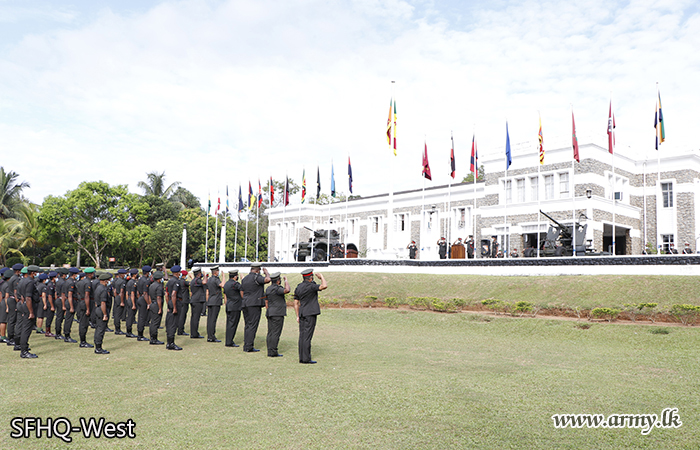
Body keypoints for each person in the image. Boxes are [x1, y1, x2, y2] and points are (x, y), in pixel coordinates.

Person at [294, 269, 327, 364]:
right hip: (310, 313)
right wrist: (321, 277)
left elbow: (296, 303)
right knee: (307, 336)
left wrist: (297, 315)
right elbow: (324, 286)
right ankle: (306, 359)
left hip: (302, 313)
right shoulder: (311, 286)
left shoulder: (299, 287)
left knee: (302, 336)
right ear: (310, 277)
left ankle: (302, 357)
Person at [240, 262, 271, 352]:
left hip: (245, 303)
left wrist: (246, 299)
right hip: (254, 304)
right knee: (253, 325)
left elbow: (241, 291)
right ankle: (249, 346)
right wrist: (267, 273)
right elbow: (268, 280)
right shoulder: (256, 277)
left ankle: (246, 345)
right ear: (258, 270)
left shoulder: (245, 278)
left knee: (248, 325)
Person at [18, 265, 41, 358]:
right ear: (33, 273)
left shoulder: (23, 280)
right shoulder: (30, 282)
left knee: (25, 327)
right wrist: (31, 312)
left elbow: (21, 295)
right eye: (36, 272)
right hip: (29, 307)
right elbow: (28, 298)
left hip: (25, 305)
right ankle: (24, 351)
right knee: (26, 329)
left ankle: (24, 348)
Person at [265, 272, 290, 357]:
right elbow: (287, 290)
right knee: (276, 333)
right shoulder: (277, 288)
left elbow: (266, 301)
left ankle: (269, 350)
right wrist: (286, 281)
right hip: (277, 313)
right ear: (278, 281)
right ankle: (273, 351)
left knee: (270, 332)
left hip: (270, 312)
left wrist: (268, 309)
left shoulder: (268, 289)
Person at [76, 267, 96, 349]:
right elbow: (87, 296)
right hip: (86, 303)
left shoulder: (81, 282)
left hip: (81, 302)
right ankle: (83, 341)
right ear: (91, 274)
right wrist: (88, 309)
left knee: (82, 322)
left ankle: (83, 340)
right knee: (84, 323)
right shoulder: (88, 283)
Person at [164, 266, 183, 351]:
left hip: (171, 302)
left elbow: (166, 294)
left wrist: (169, 305)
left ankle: (169, 343)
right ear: (177, 273)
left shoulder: (169, 281)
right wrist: (174, 307)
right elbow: (173, 294)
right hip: (175, 302)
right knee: (173, 323)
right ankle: (171, 343)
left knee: (170, 322)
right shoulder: (176, 282)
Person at [93, 273, 112, 354]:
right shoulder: (103, 289)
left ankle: (97, 345)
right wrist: (105, 314)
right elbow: (103, 303)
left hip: (97, 308)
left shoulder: (98, 288)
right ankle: (98, 348)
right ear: (105, 281)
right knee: (101, 329)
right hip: (102, 309)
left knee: (98, 328)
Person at [223, 269, 242, 347]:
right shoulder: (235, 284)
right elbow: (243, 288)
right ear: (235, 276)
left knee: (229, 324)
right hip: (235, 306)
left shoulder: (227, 284)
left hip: (229, 305)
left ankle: (228, 340)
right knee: (233, 324)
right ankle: (229, 341)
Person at [205, 266, 223, 343]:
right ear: (216, 272)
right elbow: (222, 285)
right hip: (216, 301)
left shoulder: (209, 280)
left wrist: (207, 301)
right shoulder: (216, 279)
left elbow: (207, 292)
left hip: (210, 300)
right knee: (213, 320)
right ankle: (212, 336)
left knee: (210, 319)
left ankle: (210, 336)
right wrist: (224, 277)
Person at [63, 267, 79, 343]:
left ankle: (66, 334)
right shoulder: (71, 282)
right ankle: (67, 335)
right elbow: (70, 295)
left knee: (68, 319)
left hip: (68, 301)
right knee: (69, 319)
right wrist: (71, 306)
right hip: (71, 301)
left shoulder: (67, 281)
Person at [148, 271, 165, 345]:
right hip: (156, 305)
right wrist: (160, 308)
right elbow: (159, 298)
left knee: (152, 322)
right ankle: (154, 339)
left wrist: (149, 304)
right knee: (155, 323)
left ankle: (152, 337)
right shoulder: (159, 286)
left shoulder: (152, 285)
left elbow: (149, 296)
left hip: (152, 304)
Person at [136, 265, 152, 342]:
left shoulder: (140, 279)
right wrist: (148, 303)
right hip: (144, 299)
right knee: (142, 317)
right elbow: (145, 293)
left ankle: (140, 334)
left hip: (140, 298)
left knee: (140, 317)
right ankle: (140, 335)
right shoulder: (145, 280)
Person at [189, 267, 206, 339]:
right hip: (197, 301)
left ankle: (193, 332)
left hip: (194, 300)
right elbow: (204, 282)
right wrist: (205, 276)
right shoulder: (197, 280)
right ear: (199, 274)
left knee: (193, 317)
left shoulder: (193, 280)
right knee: (196, 318)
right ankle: (194, 333)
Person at [124, 268, 139, 338]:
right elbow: (132, 293)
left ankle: (129, 331)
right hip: (132, 299)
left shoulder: (129, 282)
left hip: (129, 299)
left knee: (130, 316)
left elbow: (127, 293)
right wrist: (133, 304)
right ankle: (129, 332)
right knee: (130, 316)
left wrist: (128, 301)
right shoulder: (133, 282)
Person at [112, 268, 127, 335]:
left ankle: (117, 328)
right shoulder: (122, 281)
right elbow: (122, 292)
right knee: (118, 314)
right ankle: (118, 329)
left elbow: (114, 290)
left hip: (117, 297)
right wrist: (122, 301)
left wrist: (116, 297)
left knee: (116, 314)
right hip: (120, 297)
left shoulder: (116, 281)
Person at [177, 270, 190, 336]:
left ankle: (180, 329)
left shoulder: (178, 281)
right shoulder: (184, 282)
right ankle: (180, 330)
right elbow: (192, 283)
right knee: (183, 316)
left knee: (180, 315)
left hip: (180, 300)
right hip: (184, 300)